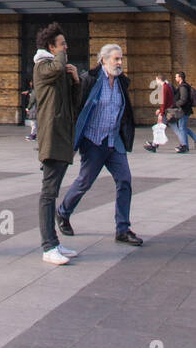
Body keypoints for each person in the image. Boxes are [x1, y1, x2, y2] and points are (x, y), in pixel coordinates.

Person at [56, 43, 142, 247]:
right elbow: (76, 105)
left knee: (125, 181)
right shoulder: (91, 80)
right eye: (116, 59)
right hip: (94, 142)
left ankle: (122, 229)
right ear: (103, 60)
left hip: (114, 142)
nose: (120, 63)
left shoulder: (122, 82)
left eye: (121, 59)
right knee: (85, 181)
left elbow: (124, 111)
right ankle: (63, 212)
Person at [33, 22, 82, 265]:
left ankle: (54, 243)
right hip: (51, 138)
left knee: (52, 192)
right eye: (62, 44)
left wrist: (74, 81)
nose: (66, 48)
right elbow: (56, 66)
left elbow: (73, 106)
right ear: (51, 47)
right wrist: (60, 58)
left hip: (63, 137)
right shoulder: (42, 66)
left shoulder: (57, 70)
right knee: (48, 194)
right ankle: (48, 246)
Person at [144, 71, 174, 153]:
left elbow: (163, 102)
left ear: (158, 79)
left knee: (160, 129)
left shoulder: (164, 88)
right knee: (160, 128)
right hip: (167, 110)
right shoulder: (167, 86)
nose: (156, 81)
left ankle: (154, 145)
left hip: (165, 112)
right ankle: (154, 144)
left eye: (156, 80)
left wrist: (161, 112)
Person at [173, 70, 196, 151]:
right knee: (183, 127)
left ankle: (184, 146)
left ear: (180, 78)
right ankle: (195, 140)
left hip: (184, 110)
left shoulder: (183, 87)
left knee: (181, 127)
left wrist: (175, 104)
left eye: (176, 77)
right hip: (185, 110)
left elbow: (183, 99)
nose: (175, 78)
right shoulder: (185, 86)